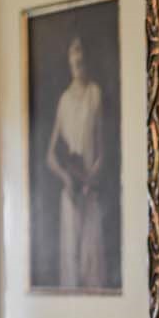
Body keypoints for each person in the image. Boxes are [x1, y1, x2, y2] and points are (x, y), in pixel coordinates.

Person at [45, 35, 107, 290]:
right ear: (69, 58)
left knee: (91, 265)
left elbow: (102, 151)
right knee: (71, 266)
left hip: (88, 191)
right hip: (71, 194)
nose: (77, 58)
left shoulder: (95, 94)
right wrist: (67, 178)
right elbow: (49, 155)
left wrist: (90, 178)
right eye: (73, 52)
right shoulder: (63, 100)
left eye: (81, 51)